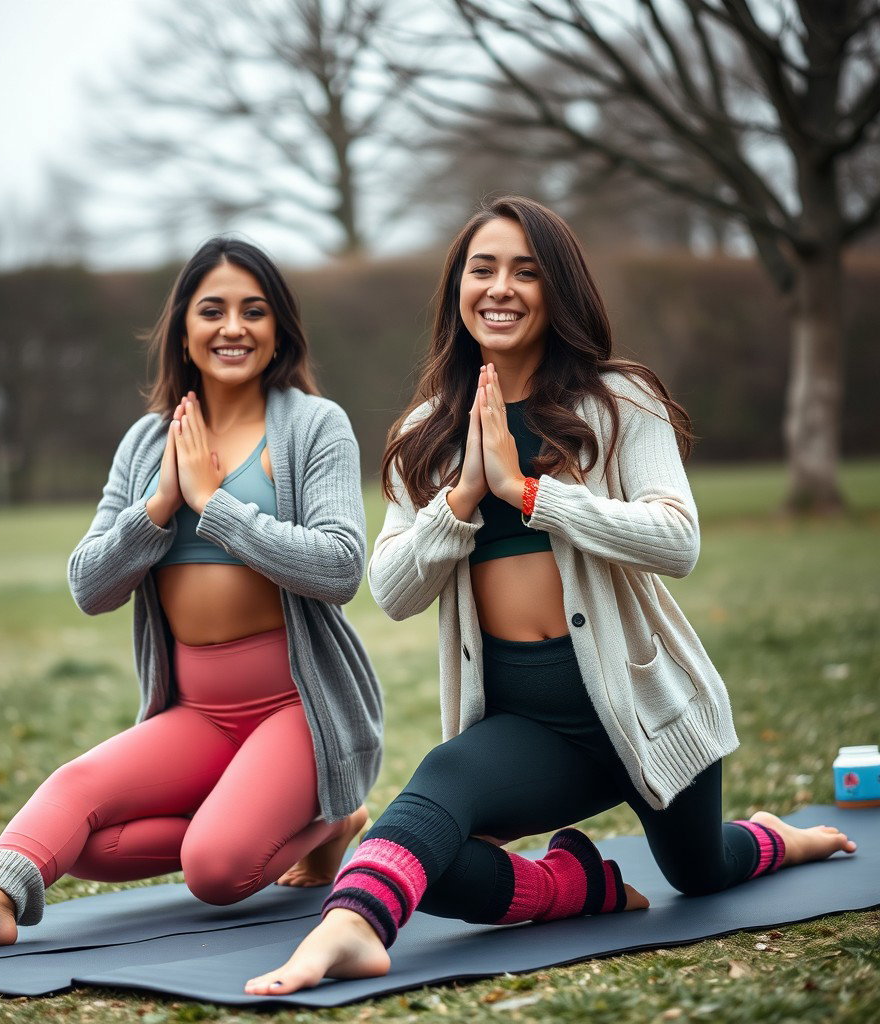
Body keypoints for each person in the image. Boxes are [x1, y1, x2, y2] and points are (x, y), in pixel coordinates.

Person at [244, 196, 857, 994]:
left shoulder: (619, 401)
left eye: (526, 271)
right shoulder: (425, 432)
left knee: (701, 871)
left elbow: (678, 540)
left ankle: (777, 837)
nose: (500, 287)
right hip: (531, 726)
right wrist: (463, 494)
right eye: (483, 268)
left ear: (559, 290)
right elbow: (391, 591)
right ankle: (386, 924)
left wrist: (530, 493)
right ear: (457, 289)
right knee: (433, 825)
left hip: (642, 709)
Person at [0, 238, 382, 957]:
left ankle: (331, 819)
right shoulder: (147, 442)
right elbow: (90, 585)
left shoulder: (313, 425)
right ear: (184, 327)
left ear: (280, 330)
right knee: (80, 825)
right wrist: (157, 508)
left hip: (296, 706)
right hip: (200, 715)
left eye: (254, 311)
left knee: (216, 869)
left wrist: (215, 504)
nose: (233, 327)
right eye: (213, 310)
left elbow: (340, 569)